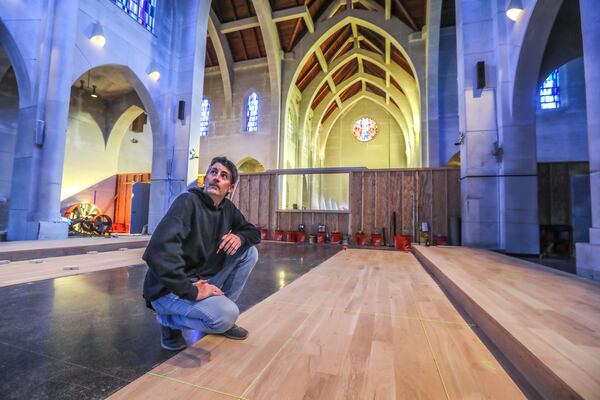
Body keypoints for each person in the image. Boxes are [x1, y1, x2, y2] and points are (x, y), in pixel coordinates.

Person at [142, 156, 260, 351]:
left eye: (223, 176)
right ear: (205, 179)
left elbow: (253, 232)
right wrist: (192, 291)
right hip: (168, 289)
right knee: (226, 315)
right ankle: (168, 321)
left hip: (200, 277)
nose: (216, 178)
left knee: (249, 252)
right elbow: (157, 253)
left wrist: (240, 237)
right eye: (213, 172)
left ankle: (215, 317)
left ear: (229, 188)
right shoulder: (187, 202)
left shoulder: (227, 209)